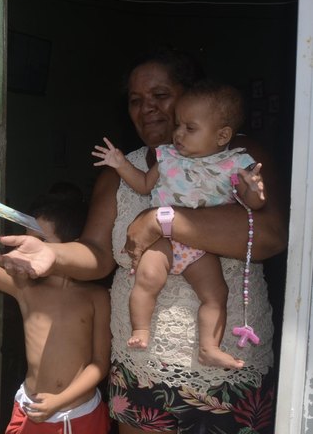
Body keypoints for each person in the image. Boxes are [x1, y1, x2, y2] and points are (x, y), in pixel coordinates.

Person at [0, 47, 286, 433]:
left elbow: (268, 236)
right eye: (135, 100)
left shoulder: (237, 157)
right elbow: (98, 254)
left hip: (225, 371)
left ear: (190, 97)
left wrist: (161, 220)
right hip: (140, 364)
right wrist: (53, 254)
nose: (146, 107)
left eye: (160, 95)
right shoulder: (120, 172)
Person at [91, 81, 266, 370]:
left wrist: (255, 191)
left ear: (222, 135)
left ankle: (209, 348)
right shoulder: (167, 157)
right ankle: (141, 330)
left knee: (216, 294)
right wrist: (120, 164)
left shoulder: (234, 165)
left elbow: (252, 206)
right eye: (178, 125)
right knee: (147, 278)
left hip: (202, 244)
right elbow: (144, 185)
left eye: (190, 128)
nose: (178, 134)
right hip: (162, 241)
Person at [0, 186, 111, 434]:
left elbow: (100, 364)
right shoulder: (26, 290)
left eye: (41, 240)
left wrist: (59, 401)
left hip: (78, 416)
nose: (30, 249)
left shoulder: (97, 297)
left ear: (72, 247)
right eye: (28, 238)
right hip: (30, 410)